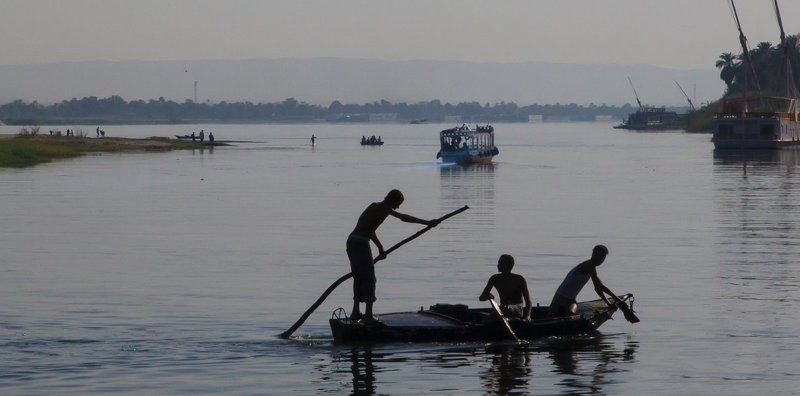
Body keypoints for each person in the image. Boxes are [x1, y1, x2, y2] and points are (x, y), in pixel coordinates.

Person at [347, 189, 440, 321]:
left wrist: (380, 248)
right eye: (398, 203)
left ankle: (355, 312)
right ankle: (368, 315)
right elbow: (403, 217)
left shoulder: (375, 207)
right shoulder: (383, 208)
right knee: (369, 278)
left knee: (359, 277)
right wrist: (427, 223)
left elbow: (370, 230)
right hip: (360, 243)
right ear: (392, 200)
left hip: (352, 241)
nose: (398, 207)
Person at [547, 245, 626, 318]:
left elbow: (597, 288)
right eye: (600, 256)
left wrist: (608, 303)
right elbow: (600, 287)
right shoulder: (589, 266)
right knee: (571, 316)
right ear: (593, 254)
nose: (601, 260)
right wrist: (617, 299)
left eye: (603, 258)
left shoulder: (591, 268)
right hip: (562, 299)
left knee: (563, 315)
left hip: (565, 299)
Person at [479, 254, 532, 321]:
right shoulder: (495, 278)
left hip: (517, 310)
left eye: (501, 263)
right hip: (502, 310)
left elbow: (528, 302)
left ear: (509, 266)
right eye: (498, 263)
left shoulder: (519, 279)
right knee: (500, 310)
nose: (498, 265)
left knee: (505, 309)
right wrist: (488, 296)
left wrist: (527, 316)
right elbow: (481, 298)